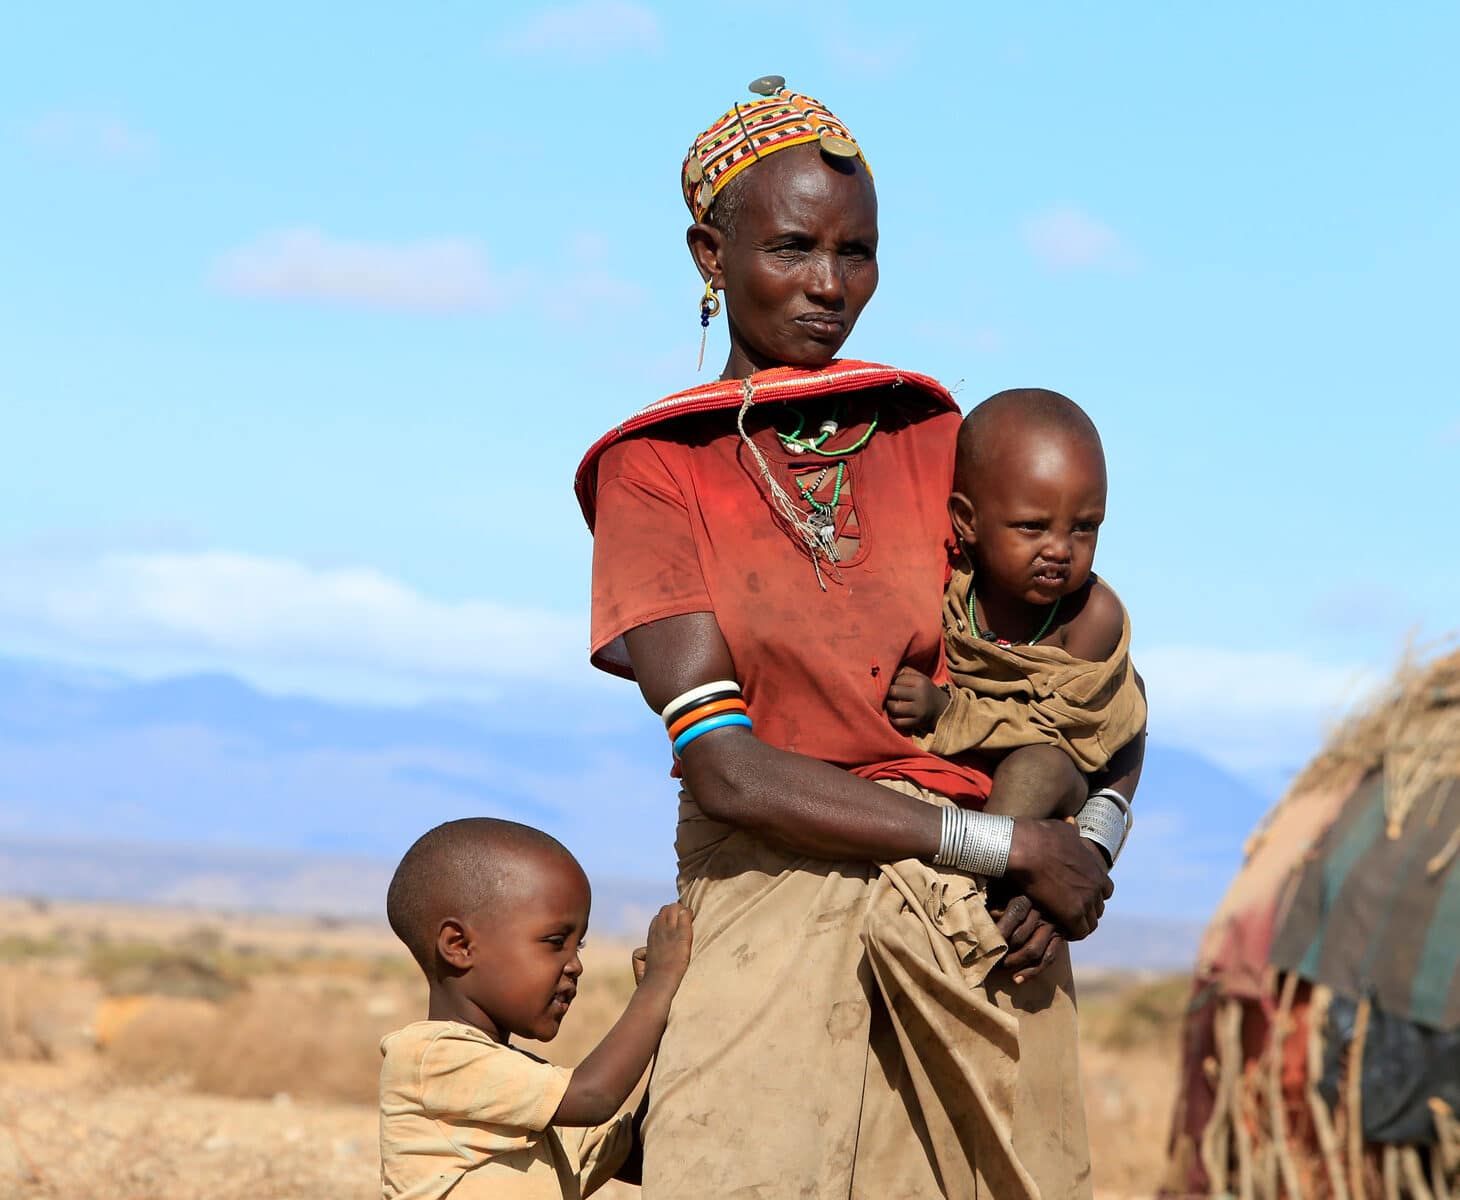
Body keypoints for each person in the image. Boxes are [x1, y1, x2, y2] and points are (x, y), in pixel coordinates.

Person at [574, 77, 1145, 1198]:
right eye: (792, 248)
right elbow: (725, 768)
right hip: (771, 899)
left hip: (977, 932)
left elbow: (1096, 691)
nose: (829, 287)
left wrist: (1086, 848)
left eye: (857, 252)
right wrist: (1004, 849)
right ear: (709, 251)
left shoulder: (931, 434)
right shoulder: (655, 472)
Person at [884, 388, 1147, 851]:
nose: (1060, 550)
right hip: (948, 778)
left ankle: (977, 885)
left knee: (1034, 770)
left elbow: (1060, 732)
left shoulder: (1088, 617)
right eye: (1033, 526)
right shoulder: (947, 589)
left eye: (1085, 527)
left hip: (1052, 776)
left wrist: (947, 712)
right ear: (967, 520)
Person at [378, 817, 693, 1200]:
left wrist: (669, 1020)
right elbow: (594, 1096)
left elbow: (640, 1153)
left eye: (579, 946)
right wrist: (658, 986)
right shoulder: (429, 1058)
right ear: (459, 945)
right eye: (555, 941)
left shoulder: (527, 1092)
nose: (575, 964)